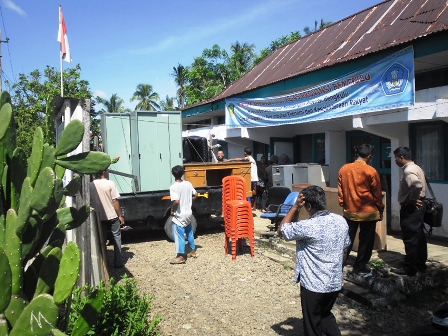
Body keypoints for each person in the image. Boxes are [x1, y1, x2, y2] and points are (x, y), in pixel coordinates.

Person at [278, 185, 350, 336]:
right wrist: (339, 270)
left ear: (308, 206)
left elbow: (282, 230)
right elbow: (345, 248)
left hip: (313, 285)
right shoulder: (341, 221)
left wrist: (295, 207)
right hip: (334, 282)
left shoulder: (308, 226)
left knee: (312, 323)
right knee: (325, 315)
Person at [338, 144, 384, 275]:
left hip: (350, 210)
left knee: (347, 238)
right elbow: (377, 193)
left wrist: (343, 203)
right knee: (366, 241)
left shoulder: (344, 169)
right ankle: (360, 266)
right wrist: (381, 208)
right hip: (368, 211)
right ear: (369, 156)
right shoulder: (371, 171)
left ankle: (340, 263)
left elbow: (341, 191)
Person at [393, 147, 427, 276]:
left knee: (410, 238)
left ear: (401, 157)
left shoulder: (409, 170)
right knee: (419, 236)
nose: (395, 161)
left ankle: (409, 268)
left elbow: (416, 185)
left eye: (396, 158)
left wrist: (412, 199)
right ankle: (420, 264)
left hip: (411, 208)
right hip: (420, 206)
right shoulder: (417, 167)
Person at [90, 169, 125, 268]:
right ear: (104, 172)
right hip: (112, 215)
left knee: (102, 240)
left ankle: (104, 263)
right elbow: (115, 201)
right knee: (116, 237)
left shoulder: (90, 185)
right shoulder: (110, 183)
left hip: (99, 216)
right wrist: (120, 215)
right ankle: (118, 262)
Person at [169, 165, 198, 264]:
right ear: (182, 173)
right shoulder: (188, 183)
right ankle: (193, 251)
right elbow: (196, 194)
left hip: (180, 214)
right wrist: (189, 202)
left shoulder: (173, 187)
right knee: (189, 232)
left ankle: (181, 256)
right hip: (188, 213)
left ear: (173, 174)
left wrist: (172, 210)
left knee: (178, 234)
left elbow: (176, 201)